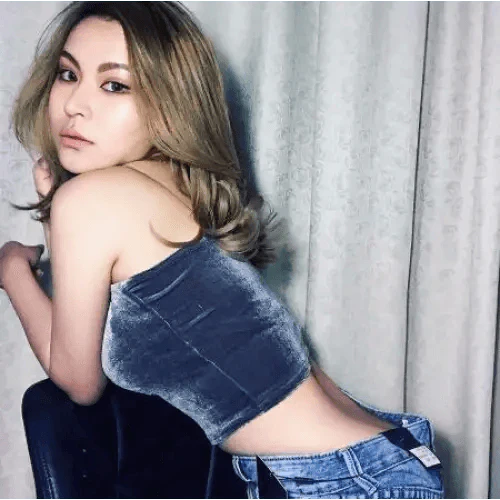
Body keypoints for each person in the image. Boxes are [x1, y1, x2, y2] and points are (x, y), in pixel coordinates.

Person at [0, 2, 444, 498]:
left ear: (170, 104)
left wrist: (13, 270)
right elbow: (107, 310)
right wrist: (55, 216)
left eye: (115, 85)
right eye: (68, 74)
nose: (74, 105)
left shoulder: (91, 200)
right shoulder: (176, 186)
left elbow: (78, 381)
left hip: (333, 481)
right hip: (375, 461)